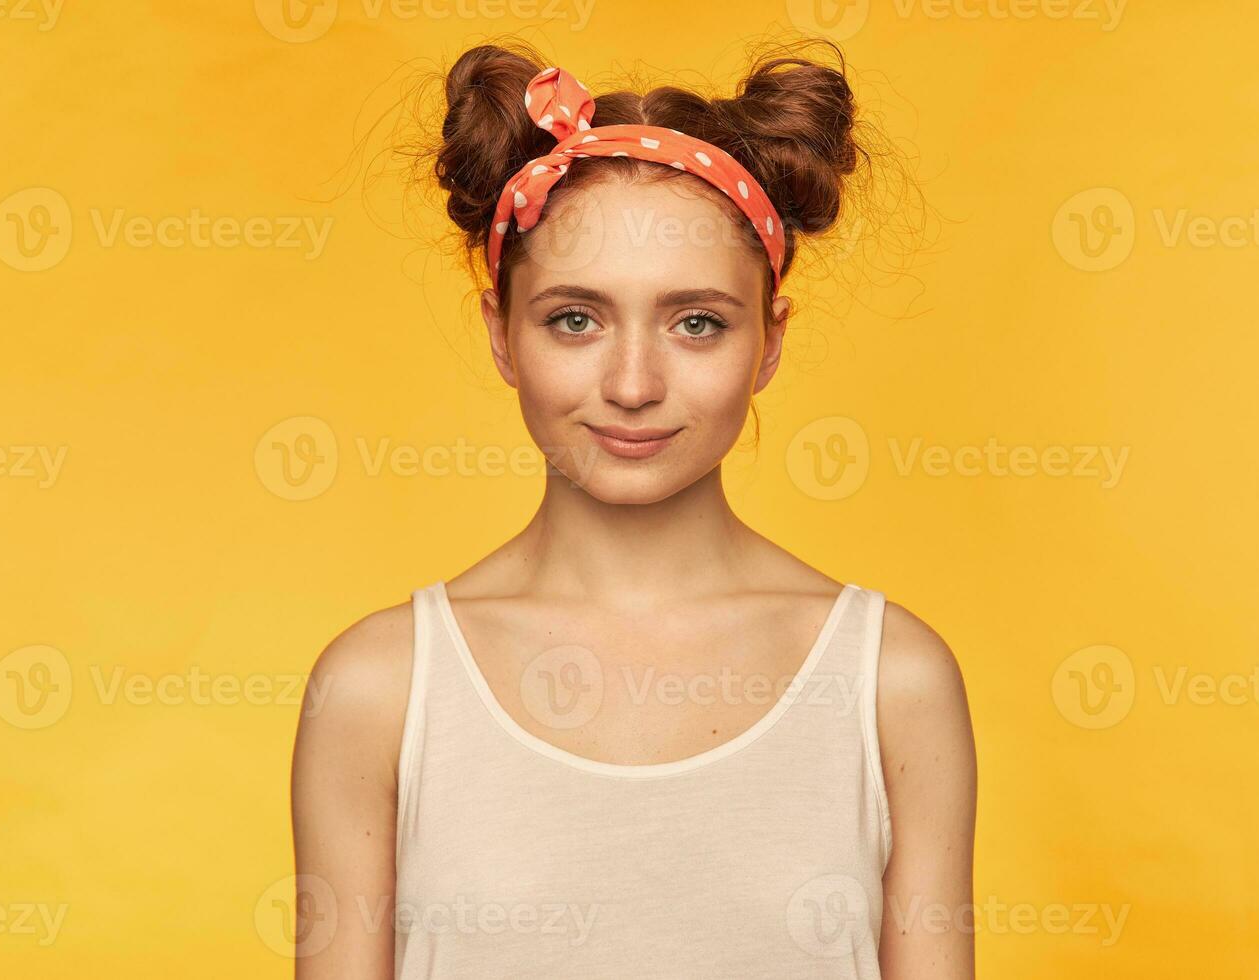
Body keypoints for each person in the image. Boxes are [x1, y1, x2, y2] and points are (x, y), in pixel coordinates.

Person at [292, 38, 976, 979]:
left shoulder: (890, 684)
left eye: (696, 322)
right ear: (501, 333)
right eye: (576, 318)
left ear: (769, 341)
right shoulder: (380, 689)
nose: (632, 383)